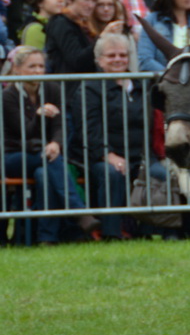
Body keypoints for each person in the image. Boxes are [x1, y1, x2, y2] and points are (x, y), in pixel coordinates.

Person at [2, 46, 95, 243]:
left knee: (44, 173)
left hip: (45, 155)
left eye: (41, 66)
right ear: (17, 69)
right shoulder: (7, 96)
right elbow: (23, 132)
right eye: (31, 67)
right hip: (13, 157)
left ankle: (46, 237)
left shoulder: (53, 88)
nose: (37, 71)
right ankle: (79, 211)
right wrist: (38, 116)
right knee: (48, 159)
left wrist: (56, 143)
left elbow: (61, 125)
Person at [70, 33, 155, 240]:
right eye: (111, 55)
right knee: (113, 173)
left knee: (161, 173)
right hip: (97, 156)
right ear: (99, 60)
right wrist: (107, 154)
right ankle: (112, 233)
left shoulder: (140, 85)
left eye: (122, 55)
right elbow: (88, 129)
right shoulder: (89, 87)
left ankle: (162, 231)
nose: (118, 59)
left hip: (140, 153)